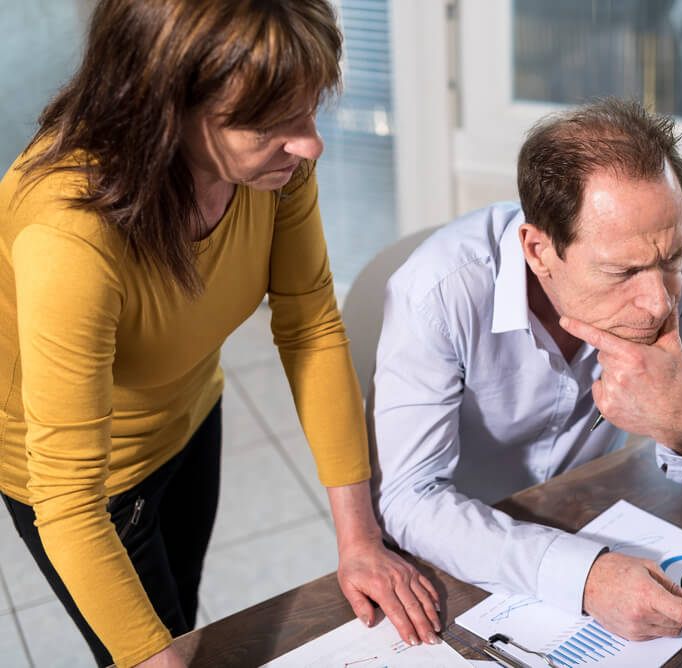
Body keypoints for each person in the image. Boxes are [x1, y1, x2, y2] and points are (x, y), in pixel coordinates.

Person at [0, 1, 439, 666]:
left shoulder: (275, 166)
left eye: (311, 105)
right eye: (271, 122)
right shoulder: (69, 238)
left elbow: (310, 323)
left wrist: (360, 541)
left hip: (190, 412)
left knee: (188, 620)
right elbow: (67, 500)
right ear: (163, 108)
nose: (310, 142)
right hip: (82, 487)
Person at [369, 98, 682, 641]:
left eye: (670, 261)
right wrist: (586, 578)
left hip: (589, 508)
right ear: (538, 250)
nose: (657, 301)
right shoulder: (436, 293)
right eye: (622, 271)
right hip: (461, 551)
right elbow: (410, 499)